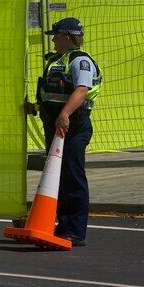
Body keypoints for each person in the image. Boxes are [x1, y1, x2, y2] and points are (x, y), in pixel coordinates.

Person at [31, 16, 100, 247]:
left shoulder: (80, 61)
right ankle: (62, 224)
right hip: (55, 124)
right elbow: (52, 92)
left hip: (73, 125)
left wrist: (65, 114)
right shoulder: (57, 59)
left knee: (72, 175)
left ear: (67, 37)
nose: (53, 41)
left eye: (56, 36)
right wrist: (35, 107)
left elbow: (81, 90)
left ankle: (74, 230)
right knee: (56, 178)